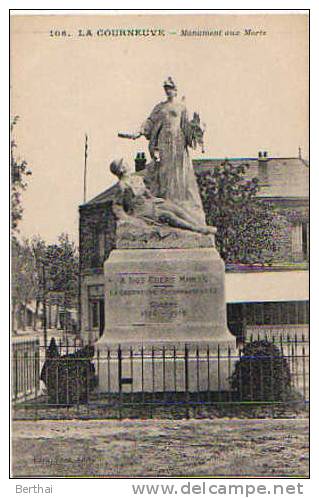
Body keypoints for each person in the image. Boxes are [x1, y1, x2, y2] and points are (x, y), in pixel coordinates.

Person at [128, 77, 206, 226]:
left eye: (170, 88)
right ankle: (166, 204)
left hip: (178, 144)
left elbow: (187, 128)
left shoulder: (182, 107)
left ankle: (179, 204)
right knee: (164, 173)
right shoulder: (160, 107)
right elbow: (150, 122)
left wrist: (197, 126)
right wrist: (139, 132)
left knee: (179, 175)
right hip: (164, 143)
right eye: (166, 88)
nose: (168, 90)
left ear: (176, 90)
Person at [109, 158, 215, 236]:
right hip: (142, 212)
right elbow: (117, 207)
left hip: (152, 204)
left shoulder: (137, 179)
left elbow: (147, 194)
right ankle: (196, 229)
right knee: (169, 216)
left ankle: (200, 226)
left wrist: (160, 201)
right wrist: (129, 219)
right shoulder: (122, 185)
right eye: (124, 163)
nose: (128, 163)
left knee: (176, 208)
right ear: (121, 169)